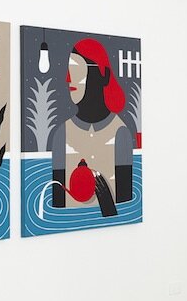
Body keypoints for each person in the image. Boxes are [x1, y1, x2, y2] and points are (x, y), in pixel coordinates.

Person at [50, 38, 135, 217]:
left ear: (102, 75)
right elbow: (57, 206)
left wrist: (106, 202)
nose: (67, 79)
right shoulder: (61, 134)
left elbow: (126, 210)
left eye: (76, 70)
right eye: (69, 71)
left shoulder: (120, 133)